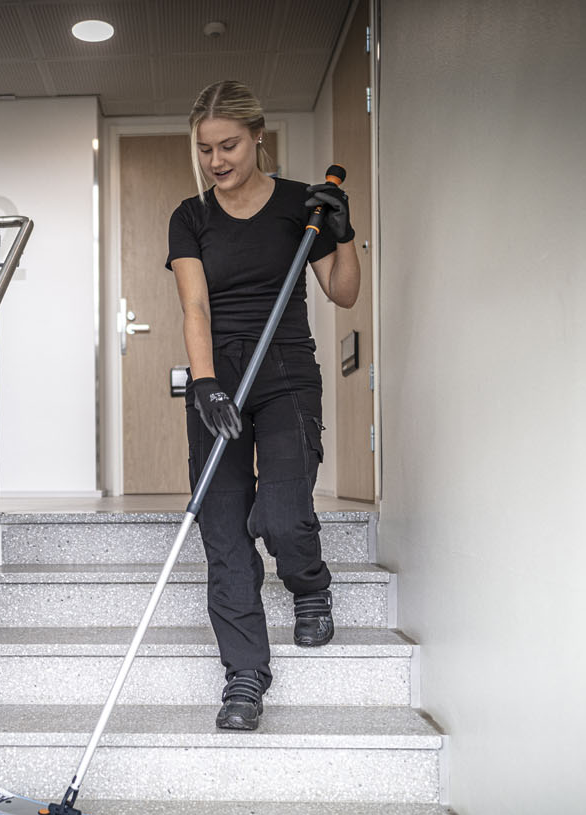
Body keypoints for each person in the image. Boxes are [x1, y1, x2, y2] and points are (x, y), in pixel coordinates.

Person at [166, 80, 360, 731]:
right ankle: (245, 674)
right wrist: (204, 384)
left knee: (281, 513)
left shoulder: (300, 206)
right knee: (223, 526)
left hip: (285, 374)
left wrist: (343, 233)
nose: (216, 161)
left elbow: (344, 293)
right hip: (219, 377)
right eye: (205, 149)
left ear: (257, 137)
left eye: (228, 146)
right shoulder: (190, 216)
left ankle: (309, 583)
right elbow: (195, 305)